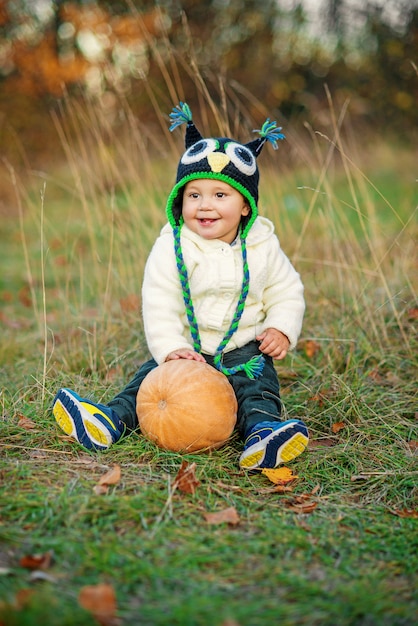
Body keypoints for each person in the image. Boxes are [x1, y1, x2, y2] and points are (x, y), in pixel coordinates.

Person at [52, 102, 309, 470]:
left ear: (246, 206)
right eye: (194, 195)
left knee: (258, 387)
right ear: (180, 200)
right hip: (187, 349)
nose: (205, 206)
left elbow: (287, 290)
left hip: (243, 349)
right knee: (148, 386)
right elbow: (159, 300)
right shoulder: (173, 245)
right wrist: (171, 348)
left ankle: (263, 433)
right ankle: (108, 422)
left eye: (220, 195)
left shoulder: (263, 245)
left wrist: (281, 328)